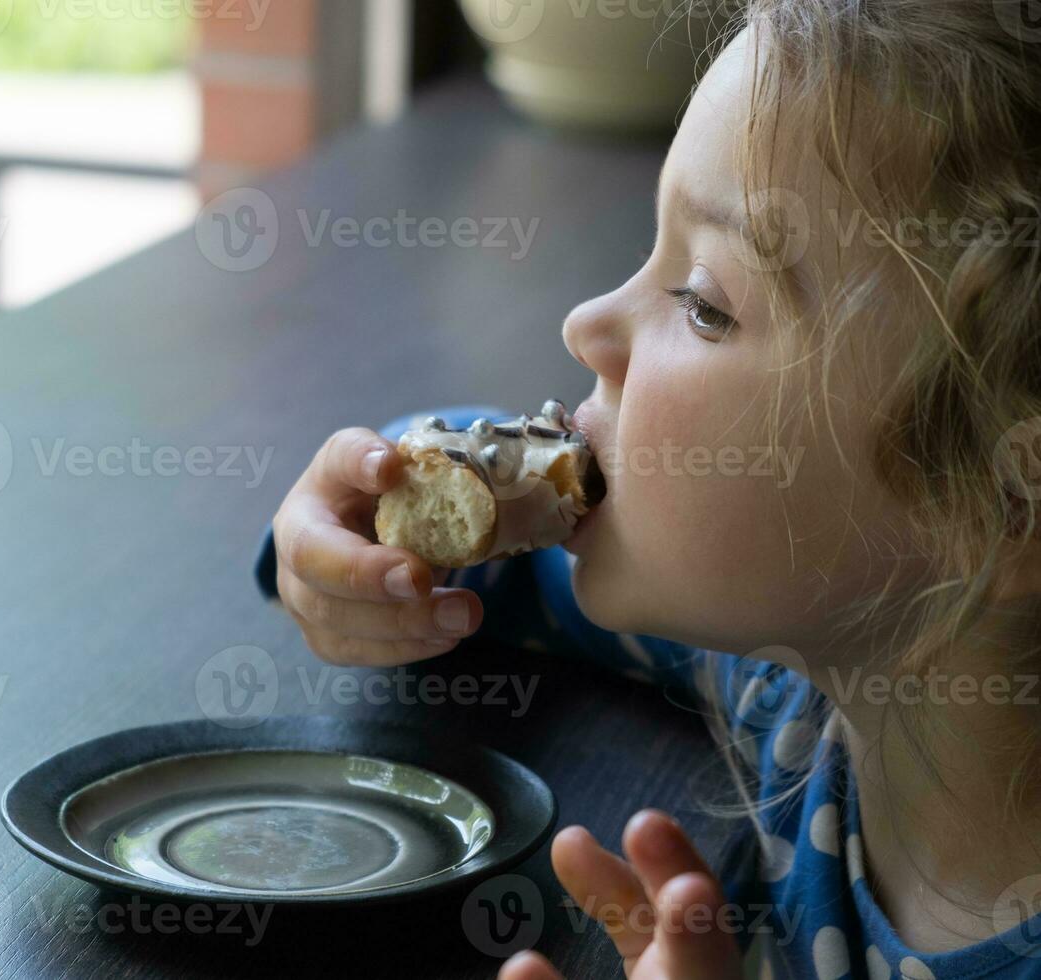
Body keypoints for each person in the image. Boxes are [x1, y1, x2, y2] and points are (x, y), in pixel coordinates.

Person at [263, 2, 1041, 976]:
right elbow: (514, 553)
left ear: (1002, 509)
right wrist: (353, 531)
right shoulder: (804, 677)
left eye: (706, 302)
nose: (588, 321)